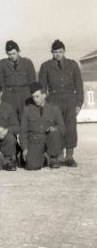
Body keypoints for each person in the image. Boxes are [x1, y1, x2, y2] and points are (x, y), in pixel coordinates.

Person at [39, 39, 84, 167]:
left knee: (70, 128)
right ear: (51, 52)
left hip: (70, 100)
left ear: (64, 51)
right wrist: (44, 105)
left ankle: (69, 156)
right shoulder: (46, 66)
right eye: (55, 52)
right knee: (56, 127)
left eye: (60, 51)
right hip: (54, 100)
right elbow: (42, 88)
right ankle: (57, 156)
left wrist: (78, 104)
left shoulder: (73, 65)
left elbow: (79, 86)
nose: (58, 54)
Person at [20, 82, 65, 170]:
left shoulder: (54, 109)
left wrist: (54, 128)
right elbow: (23, 132)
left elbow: (62, 128)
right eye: (33, 97)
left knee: (54, 133)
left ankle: (53, 158)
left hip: (49, 142)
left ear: (44, 95)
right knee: (31, 166)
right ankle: (43, 158)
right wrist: (25, 148)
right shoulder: (27, 110)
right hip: (35, 142)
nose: (35, 99)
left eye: (37, 96)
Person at [0, 40, 36, 122]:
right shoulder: (2, 63)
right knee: (11, 119)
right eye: (9, 54)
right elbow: (0, 83)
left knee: (26, 119)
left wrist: (33, 97)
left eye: (14, 53)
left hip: (25, 95)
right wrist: (3, 97)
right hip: (9, 96)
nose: (12, 56)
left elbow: (33, 82)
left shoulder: (27, 62)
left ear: (18, 51)